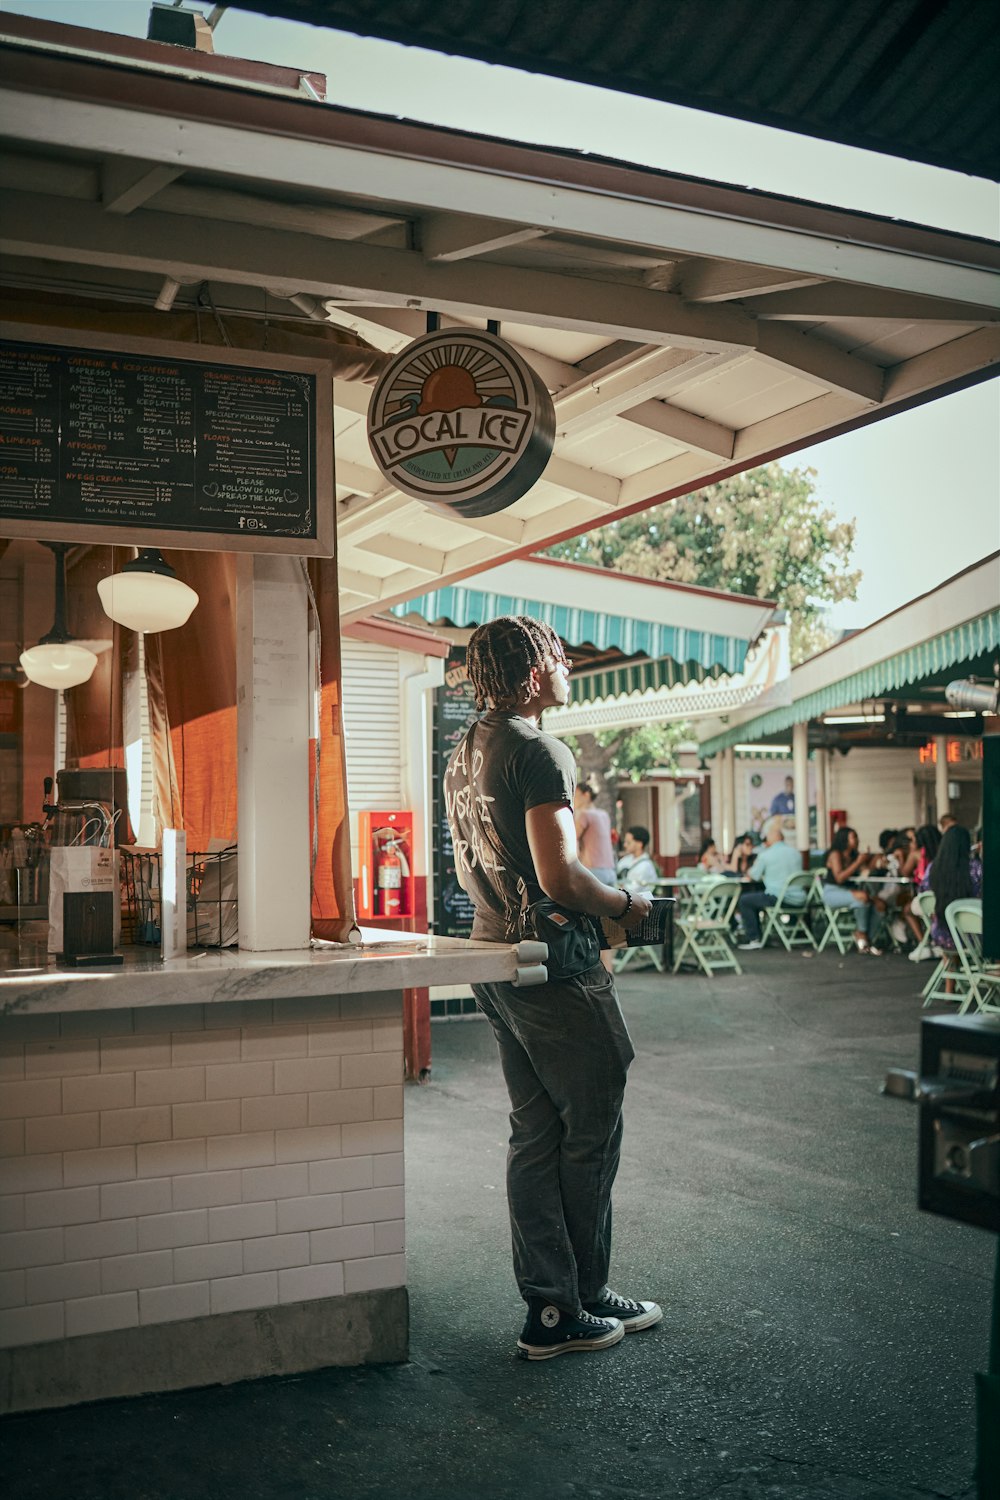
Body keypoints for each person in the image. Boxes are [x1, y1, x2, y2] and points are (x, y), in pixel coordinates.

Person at [445, 615, 662, 1361]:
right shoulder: (540, 749)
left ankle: (553, 1307)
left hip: (495, 959)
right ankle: (578, 1298)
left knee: (538, 1131)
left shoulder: (465, 750)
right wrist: (629, 908)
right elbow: (561, 875)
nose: (569, 665)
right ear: (535, 671)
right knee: (593, 1122)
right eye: (560, 657)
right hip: (553, 963)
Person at [736, 816, 805, 949]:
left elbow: (753, 875)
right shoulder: (796, 853)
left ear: (767, 841)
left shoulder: (765, 855)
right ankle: (795, 932)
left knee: (746, 900)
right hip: (800, 898)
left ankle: (754, 938)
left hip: (779, 897)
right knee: (757, 898)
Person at [923, 823, 982, 957]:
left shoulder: (932, 868)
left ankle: (950, 976)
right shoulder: (975, 868)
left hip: (940, 935)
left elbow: (924, 892)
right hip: (972, 936)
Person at [820, 826, 880, 955]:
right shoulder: (835, 854)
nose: (857, 840)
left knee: (879, 904)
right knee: (863, 898)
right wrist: (858, 862)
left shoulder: (854, 856)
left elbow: (865, 873)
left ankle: (865, 937)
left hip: (850, 891)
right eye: (853, 837)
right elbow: (839, 878)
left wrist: (871, 861)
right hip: (833, 892)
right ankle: (861, 934)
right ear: (844, 839)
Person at [574, 782, 617, 886]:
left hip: (593, 870)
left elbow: (572, 838)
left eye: (576, 794)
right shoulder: (604, 814)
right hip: (610, 870)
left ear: (586, 795)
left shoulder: (585, 815)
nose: (573, 798)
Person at [617, 825, 660, 893]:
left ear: (640, 844)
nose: (625, 845)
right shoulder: (625, 860)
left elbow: (634, 890)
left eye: (628, 842)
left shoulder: (646, 866)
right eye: (624, 842)